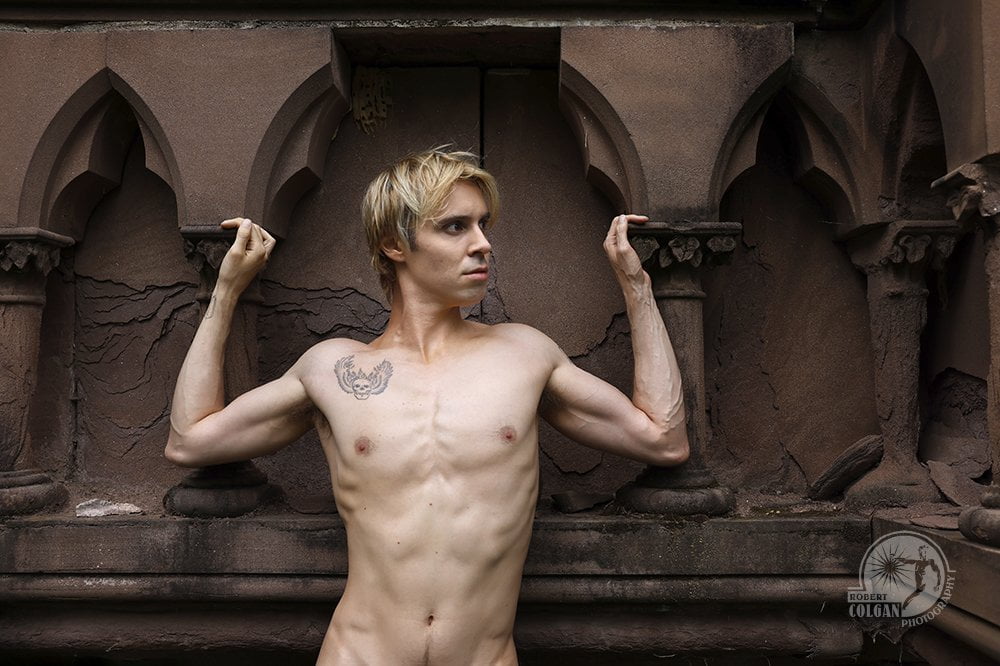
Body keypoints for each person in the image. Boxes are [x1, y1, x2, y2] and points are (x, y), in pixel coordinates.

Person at [165, 149, 689, 665]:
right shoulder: (332, 369)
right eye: (456, 227)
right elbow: (191, 441)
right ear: (395, 243)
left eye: (484, 225)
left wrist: (637, 287)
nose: (483, 245)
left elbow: (662, 439)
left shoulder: (525, 355)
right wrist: (225, 291)